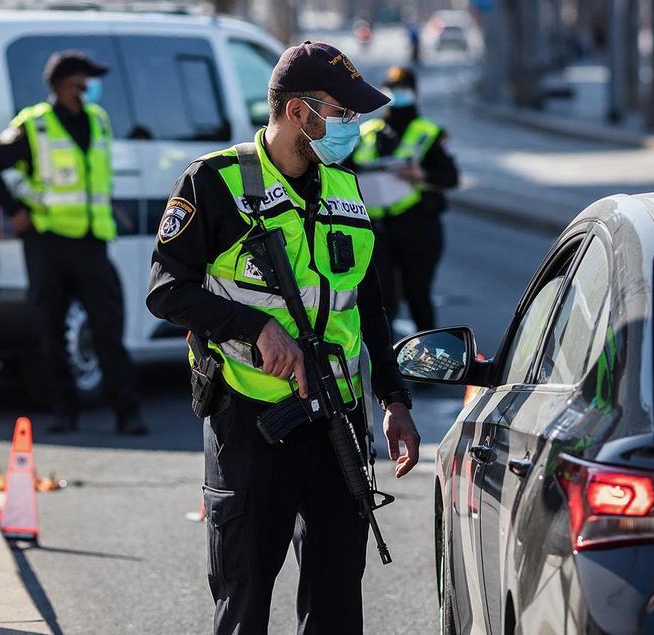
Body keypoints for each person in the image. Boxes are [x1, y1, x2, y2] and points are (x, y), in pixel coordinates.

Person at [146, 41, 420, 634]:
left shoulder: (347, 187)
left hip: (337, 421)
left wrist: (395, 401)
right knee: (244, 603)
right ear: (299, 111)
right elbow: (166, 289)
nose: (352, 126)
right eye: (342, 114)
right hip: (250, 420)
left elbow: (369, 306)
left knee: (337, 605)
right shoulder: (216, 182)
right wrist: (255, 327)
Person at [0, 51, 147, 436]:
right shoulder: (34, 126)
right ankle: (64, 410)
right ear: (60, 84)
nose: (86, 89)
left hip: (91, 241)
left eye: (89, 82)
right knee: (51, 330)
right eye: (80, 81)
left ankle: (127, 411)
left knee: (108, 327)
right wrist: (15, 212)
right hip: (47, 242)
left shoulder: (97, 121)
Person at [348, 65, 459, 333]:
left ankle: (432, 362)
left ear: (414, 93)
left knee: (418, 294)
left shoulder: (430, 132)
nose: (397, 95)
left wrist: (422, 175)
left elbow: (450, 177)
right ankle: (386, 363)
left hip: (417, 226)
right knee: (381, 300)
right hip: (378, 229)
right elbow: (346, 170)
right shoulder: (368, 132)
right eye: (391, 90)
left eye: (403, 90)